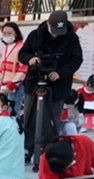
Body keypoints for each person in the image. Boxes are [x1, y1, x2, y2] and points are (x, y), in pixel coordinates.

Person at [19, 10, 84, 164]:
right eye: (54, 29)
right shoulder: (36, 35)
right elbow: (22, 54)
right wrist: (31, 59)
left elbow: (76, 60)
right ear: (48, 23)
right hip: (34, 81)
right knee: (29, 117)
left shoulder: (71, 38)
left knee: (52, 120)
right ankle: (27, 148)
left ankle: (49, 150)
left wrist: (60, 73)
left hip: (58, 85)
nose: (56, 34)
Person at [0, 22, 28, 116]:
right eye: (4, 33)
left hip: (16, 86)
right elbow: (2, 69)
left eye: (9, 33)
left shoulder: (21, 47)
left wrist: (12, 84)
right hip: (4, 86)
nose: (6, 35)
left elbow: (23, 68)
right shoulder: (5, 47)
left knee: (13, 112)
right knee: (3, 111)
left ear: (16, 33)